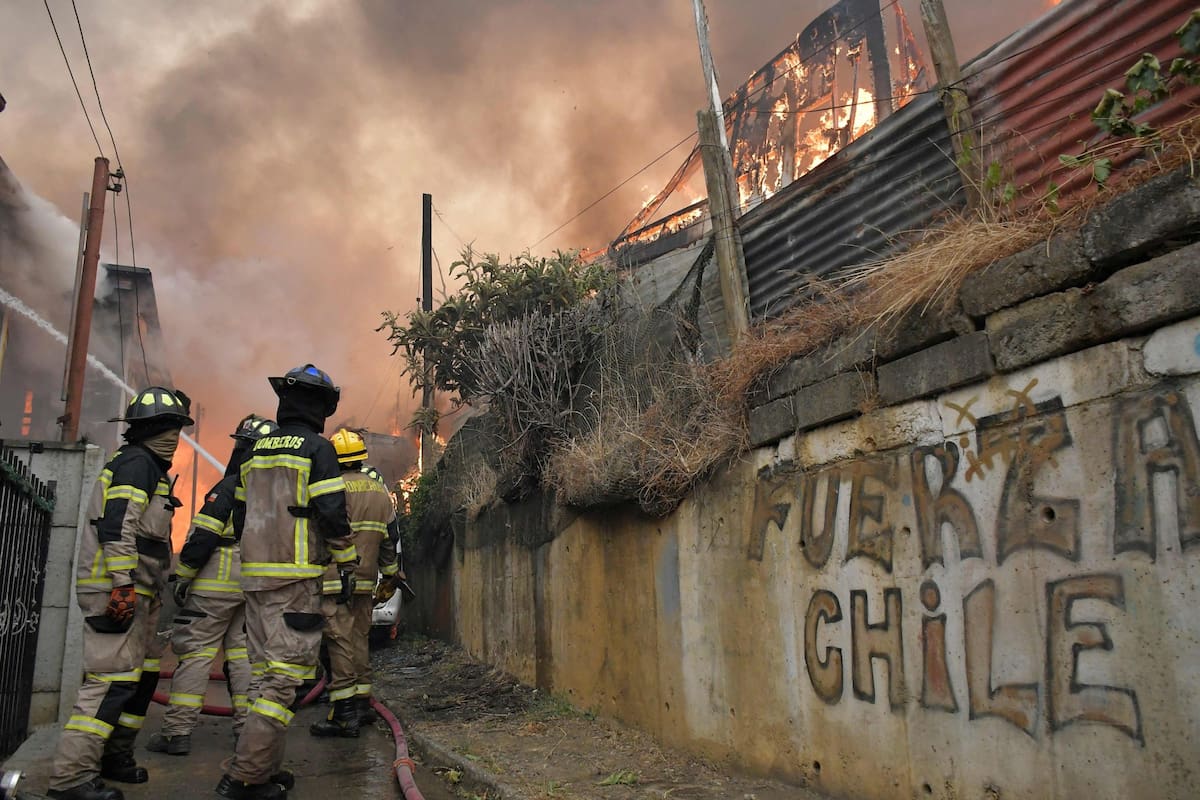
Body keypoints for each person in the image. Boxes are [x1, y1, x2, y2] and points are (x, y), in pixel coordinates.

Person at [216, 365, 358, 800]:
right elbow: (332, 512)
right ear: (321, 407)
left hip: (255, 579)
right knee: (283, 683)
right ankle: (245, 778)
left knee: (264, 677)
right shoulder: (318, 449)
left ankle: (263, 770)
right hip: (295, 583)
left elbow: (238, 515)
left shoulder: (255, 451)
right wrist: (347, 565)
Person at [48, 387, 193, 800]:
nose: (174, 436)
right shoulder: (136, 465)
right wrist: (123, 585)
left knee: (138, 678)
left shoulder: (147, 467)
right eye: (169, 427)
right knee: (109, 681)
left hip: (139, 591)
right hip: (116, 589)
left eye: (177, 427)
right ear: (150, 430)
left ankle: (115, 756)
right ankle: (70, 780)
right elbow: (118, 526)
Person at [146, 414, 279, 756]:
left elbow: (203, 537)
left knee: (197, 653)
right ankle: (245, 732)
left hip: (215, 585)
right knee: (243, 656)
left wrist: (184, 575)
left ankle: (177, 732)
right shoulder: (278, 492)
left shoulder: (231, 486)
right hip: (253, 585)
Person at [309, 430, 399, 737]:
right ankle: (363, 703)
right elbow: (389, 539)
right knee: (360, 638)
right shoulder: (379, 491)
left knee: (338, 641)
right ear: (361, 458)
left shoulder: (332, 488)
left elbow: (322, 530)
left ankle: (343, 714)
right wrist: (389, 574)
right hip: (366, 580)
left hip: (335, 578)